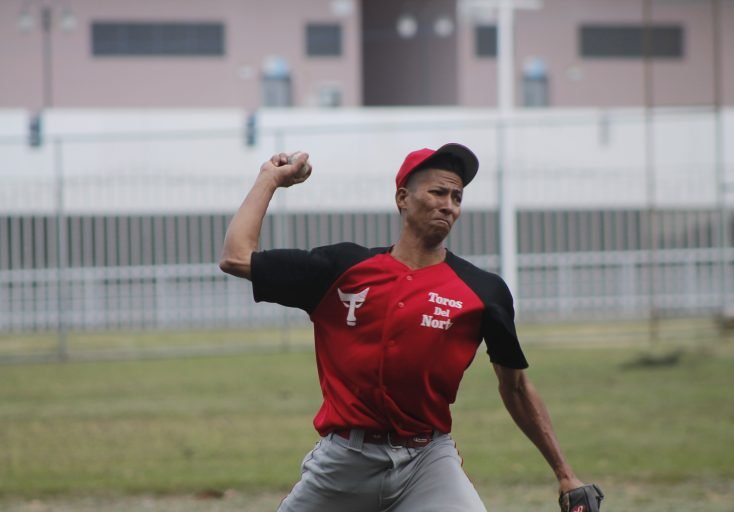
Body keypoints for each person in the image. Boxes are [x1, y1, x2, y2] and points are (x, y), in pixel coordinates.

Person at [219, 143, 590, 512]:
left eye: (457, 196)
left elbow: (517, 387)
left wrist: (564, 473)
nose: (449, 204)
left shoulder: (482, 292)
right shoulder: (342, 269)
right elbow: (236, 257)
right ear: (403, 198)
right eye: (438, 192)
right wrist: (269, 179)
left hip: (427, 462)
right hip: (344, 462)